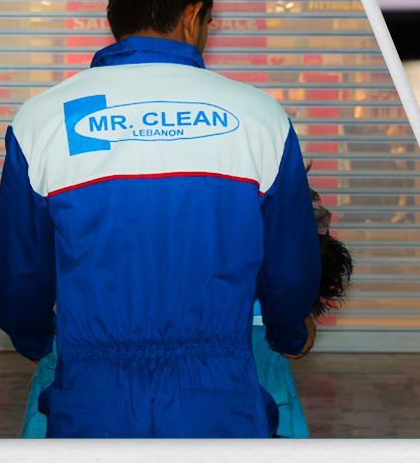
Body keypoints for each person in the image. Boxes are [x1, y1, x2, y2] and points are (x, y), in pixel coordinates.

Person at [0, 0, 321, 438]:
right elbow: (291, 269)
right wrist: (289, 331)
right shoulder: (260, 118)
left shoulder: (43, 120)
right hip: (218, 395)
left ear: (112, 17)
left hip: (92, 396)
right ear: (193, 17)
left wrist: (38, 341)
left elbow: (17, 273)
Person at [19, 186, 354, 438]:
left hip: (94, 351)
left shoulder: (89, 176)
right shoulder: (244, 161)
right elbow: (295, 285)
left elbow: (25, 268)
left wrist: (39, 340)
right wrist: (292, 328)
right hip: (239, 357)